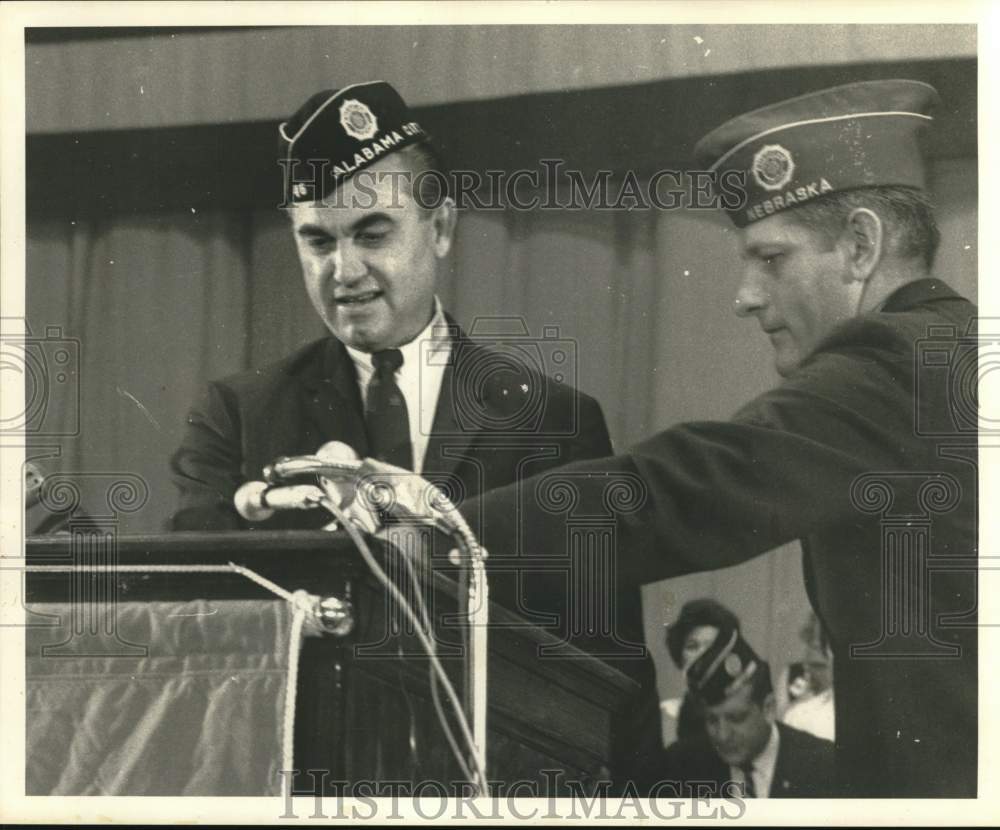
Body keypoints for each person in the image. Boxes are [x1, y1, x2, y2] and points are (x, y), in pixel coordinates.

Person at [350, 79, 978, 797]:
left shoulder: (892, 365)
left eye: (771, 259)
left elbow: (687, 487)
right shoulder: (959, 352)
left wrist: (433, 533)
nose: (744, 295)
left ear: (861, 245)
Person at [167, 80, 660, 788]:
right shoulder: (238, 415)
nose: (344, 272)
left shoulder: (552, 421)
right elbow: (194, 625)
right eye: (317, 240)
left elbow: (611, 675)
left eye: (373, 233)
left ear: (442, 228)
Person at [658, 628, 834, 798]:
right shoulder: (682, 766)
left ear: (769, 708)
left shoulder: (822, 766)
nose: (723, 735)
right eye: (712, 720)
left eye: (736, 718)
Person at [661, 598, 742, 743]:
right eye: (692, 647)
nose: (702, 656)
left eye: (712, 647)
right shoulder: (664, 715)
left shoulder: (746, 713)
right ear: (679, 654)